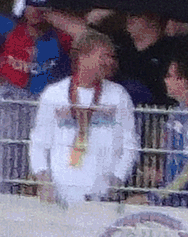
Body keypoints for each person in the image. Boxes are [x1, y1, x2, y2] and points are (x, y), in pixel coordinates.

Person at [28, 33, 139, 206]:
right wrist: (43, 180)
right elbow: (39, 143)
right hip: (59, 196)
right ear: (83, 56)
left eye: (111, 57)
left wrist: (116, 181)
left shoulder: (119, 96)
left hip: (102, 197)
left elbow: (130, 145)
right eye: (103, 56)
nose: (109, 62)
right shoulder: (53, 94)